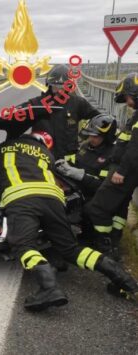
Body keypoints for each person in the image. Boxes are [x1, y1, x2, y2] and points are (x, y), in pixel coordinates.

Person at [0, 130, 138, 311]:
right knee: (70, 249)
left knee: (23, 246)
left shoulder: (1, 148)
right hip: (53, 199)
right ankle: (125, 281)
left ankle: (49, 288)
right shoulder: (44, 151)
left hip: (22, 198)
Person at [85, 73, 138, 268]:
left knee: (96, 207)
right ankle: (115, 242)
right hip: (128, 170)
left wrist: (121, 172)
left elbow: (135, 149)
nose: (127, 103)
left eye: (128, 98)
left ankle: (104, 248)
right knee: (119, 208)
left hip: (125, 171)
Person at [22, 65, 102, 160]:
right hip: (41, 158)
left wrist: (87, 136)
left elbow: (100, 118)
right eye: (56, 87)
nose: (59, 90)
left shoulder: (78, 103)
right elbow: (15, 115)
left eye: (63, 87)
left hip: (68, 161)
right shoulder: (35, 104)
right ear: (49, 85)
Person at [55, 113, 117, 200]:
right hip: (74, 191)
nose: (91, 138)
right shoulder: (86, 146)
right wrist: (65, 165)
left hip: (92, 199)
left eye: (95, 136)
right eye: (90, 135)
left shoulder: (113, 155)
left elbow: (104, 187)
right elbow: (76, 161)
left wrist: (82, 176)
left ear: (107, 136)